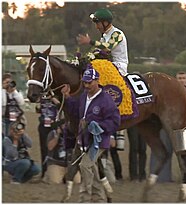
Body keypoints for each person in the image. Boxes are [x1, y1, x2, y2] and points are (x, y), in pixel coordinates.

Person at [77, 66, 121, 202]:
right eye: (85, 82)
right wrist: (65, 98)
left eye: (89, 82)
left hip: (99, 141)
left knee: (84, 165)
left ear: (97, 81)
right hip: (85, 139)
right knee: (92, 167)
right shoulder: (84, 96)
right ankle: (99, 198)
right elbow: (75, 107)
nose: (87, 85)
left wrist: (96, 125)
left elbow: (115, 122)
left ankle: (84, 198)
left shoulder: (106, 100)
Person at [76, 8, 128, 76]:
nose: (97, 27)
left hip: (119, 66)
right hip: (108, 64)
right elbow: (100, 51)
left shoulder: (117, 34)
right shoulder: (104, 35)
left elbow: (107, 47)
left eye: (98, 24)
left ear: (105, 23)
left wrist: (90, 42)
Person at [35, 94, 60, 178]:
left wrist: (53, 98)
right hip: (43, 125)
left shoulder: (57, 95)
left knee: (54, 148)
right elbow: (38, 108)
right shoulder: (41, 95)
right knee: (44, 149)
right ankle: (44, 171)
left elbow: (61, 106)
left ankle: (53, 170)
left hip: (54, 125)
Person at [43, 119, 67, 184]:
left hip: (68, 164)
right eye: (64, 125)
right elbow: (50, 147)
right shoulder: (53, 133)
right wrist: (57, 136)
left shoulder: (72, 135)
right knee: (55, 182)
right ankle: (48, 175)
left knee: (77, 181)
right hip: (55, 163)